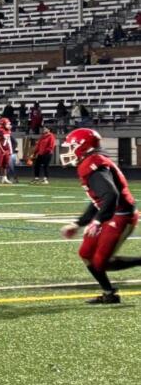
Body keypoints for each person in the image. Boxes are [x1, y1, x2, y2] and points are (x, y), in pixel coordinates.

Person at [59, 128, 141, 304]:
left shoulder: (93, 165)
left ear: (83, 146)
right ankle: (109, 292)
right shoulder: (90, 162)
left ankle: (111, 292)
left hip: (122, 215)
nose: (68, 151)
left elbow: (111, 195)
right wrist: (78, 223)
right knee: (86, 253)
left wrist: (97, 221)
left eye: (72, 146)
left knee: (100, 262)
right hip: (110, 213)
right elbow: (100, 199)